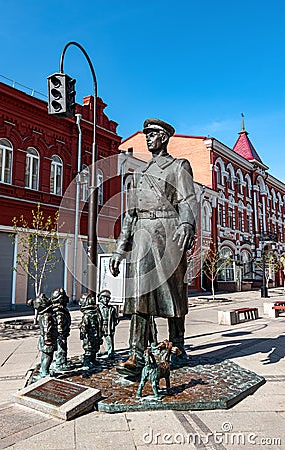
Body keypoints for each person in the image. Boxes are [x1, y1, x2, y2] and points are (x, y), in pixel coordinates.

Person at [110, 118, 198, 376]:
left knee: (174, 290)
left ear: (165, 137)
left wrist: (187, 225)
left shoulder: (178, 166)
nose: (148, 138)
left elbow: (188, 199)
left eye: (153, 134)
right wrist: (119, 248)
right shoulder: (140, 173)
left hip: (168, 234)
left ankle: (177, 346)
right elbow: (130, 214)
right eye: (146, 134)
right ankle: (136, 354)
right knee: (139, 292)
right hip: (142, 236)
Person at [98, 289, 119, 359]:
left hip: (108, 326)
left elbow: (116, 318)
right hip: (100, 326)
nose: (107, 299)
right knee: (97, 339)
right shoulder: (97, 308)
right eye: (105, 297)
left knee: (109, 340)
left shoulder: (112, 309)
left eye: (108, 298)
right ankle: (96, 352)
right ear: (100, 298)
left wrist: (113, 325)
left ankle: (110, 352)